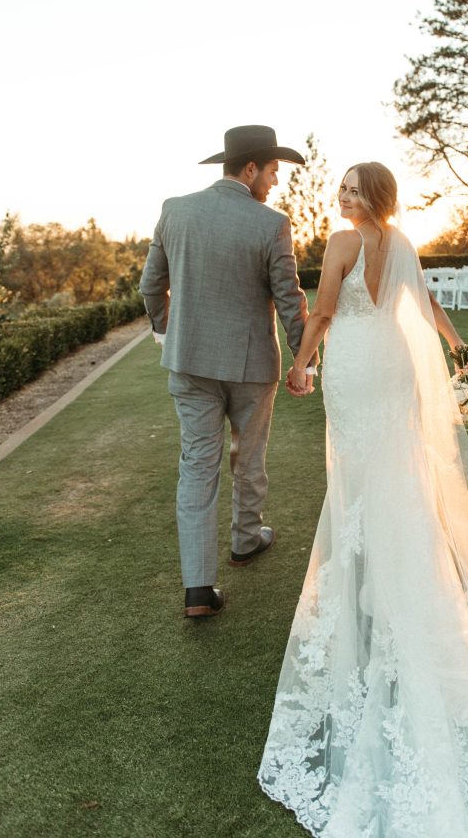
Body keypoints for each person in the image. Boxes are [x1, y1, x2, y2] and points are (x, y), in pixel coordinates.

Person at [259, 162, 468, 837]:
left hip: (355, 366)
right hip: (395, 365)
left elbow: (323, 312)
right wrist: (461, 348)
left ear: (372, 196)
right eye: (342, 187)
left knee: (362, 483)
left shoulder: (343, 242)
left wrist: (303, 362)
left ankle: (378, 599)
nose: (342, 196)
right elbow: (427, 306)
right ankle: (404, 591)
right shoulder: (401, 242)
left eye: (352, 188)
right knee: (396, 478)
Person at [140, 125, 315, 619]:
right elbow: (289, 300)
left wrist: (166, 331)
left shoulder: (174, 210)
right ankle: (245, 541)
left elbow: (150, 286)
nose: (276, 182)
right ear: (251, 168)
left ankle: (198, 589)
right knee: (249, 456)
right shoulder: (271, 224)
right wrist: (304, 360)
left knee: (197, 466)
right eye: (274, 171)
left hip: (189, 362)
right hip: (250, 367)